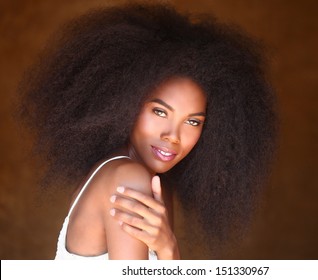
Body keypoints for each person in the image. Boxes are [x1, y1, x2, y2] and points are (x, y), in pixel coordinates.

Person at [17, 2, 277, 259]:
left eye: (193, 121)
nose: (173, 136)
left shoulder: (150, 184)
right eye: (160, 111)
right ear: (125, 104)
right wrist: (169, 249)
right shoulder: (128, 178)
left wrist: (167, 248)